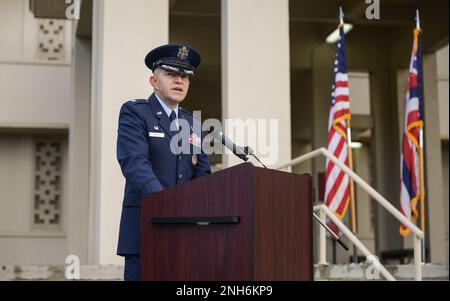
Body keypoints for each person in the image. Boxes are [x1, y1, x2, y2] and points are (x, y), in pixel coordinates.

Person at [116, 44, 211, 281]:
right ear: (154, 81)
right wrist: (166, 203)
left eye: (185, 76)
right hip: (145, 228)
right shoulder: (136, 112)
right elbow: (134, 163)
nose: (179, 81)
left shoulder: (194, 123)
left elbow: (203, 174)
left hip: (185, 233)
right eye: (171, 74)